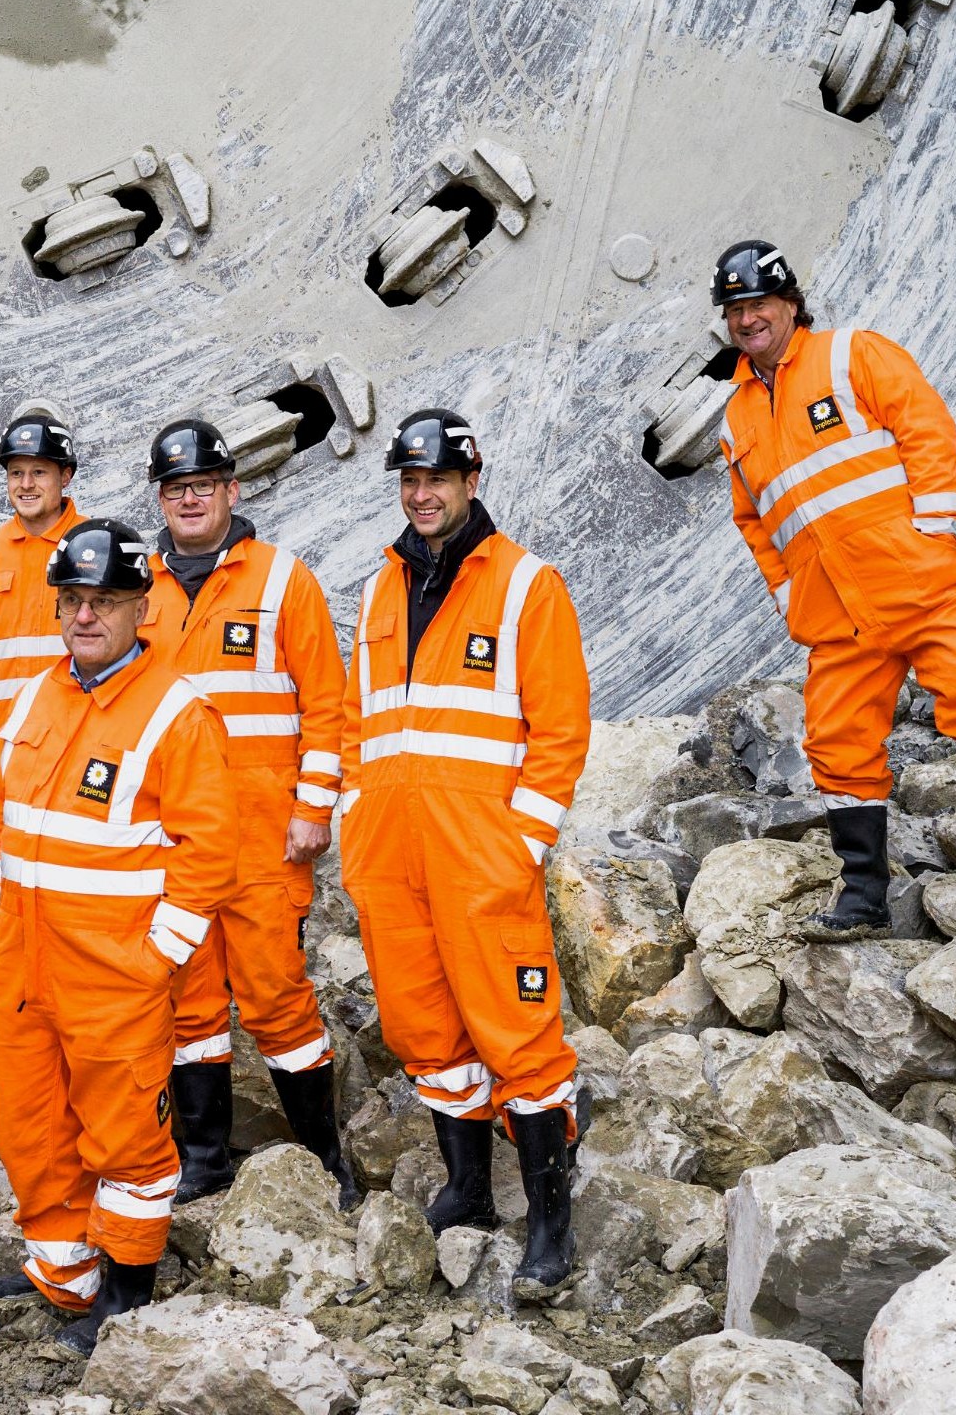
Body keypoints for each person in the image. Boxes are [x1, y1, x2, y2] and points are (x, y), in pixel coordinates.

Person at [713, 240, 956, 936]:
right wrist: (788, 593)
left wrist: (936, 525)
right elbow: (754, 520)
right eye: (734, 309)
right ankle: (863, 897)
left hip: (925, 585)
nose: (748, 319)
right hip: (836, 614)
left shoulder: (853, 354)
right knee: (839, 743)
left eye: (759, 303)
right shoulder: (736, 418)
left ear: (789, 304)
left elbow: (925, 427)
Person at [0, 519, 236, 1355]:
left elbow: (211, 848)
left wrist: (160, 952)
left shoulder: (177, 711)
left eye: (105, 603)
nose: (86, 617)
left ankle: (125, 1287)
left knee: (126, 1135)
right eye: (74, 601)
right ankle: (62, 1272)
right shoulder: (37, 694)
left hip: (115, 971)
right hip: (20, 962)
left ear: (138, 607)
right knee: (29, 1125)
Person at [339, 410, 589, 1300]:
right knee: (425, 1031)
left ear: (471, 481)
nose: (422, 494)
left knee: (519, 1038)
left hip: (481, 857)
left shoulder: (526, 585)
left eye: (438, 479)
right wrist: (353, 816)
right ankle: (470, 1191)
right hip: (390, 855)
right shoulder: (378, 589)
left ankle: (551, 1227)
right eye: (410, 481)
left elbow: (560, 731)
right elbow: (358, 722)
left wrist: (517, 845)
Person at [139, 418, 355, 1207]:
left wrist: (314, 807)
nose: (189, 499)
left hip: (268, 838)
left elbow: (327, 703)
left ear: (233, 490)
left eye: (202, 486)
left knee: (276, 997)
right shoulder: (141, 590)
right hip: (176, 842)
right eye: (174, 489)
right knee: (190, 1001)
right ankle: (203, 1159)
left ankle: (324, 1159)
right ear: (160, 500)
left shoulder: (280, 579)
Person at [0, 410, 84, 1127]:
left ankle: (74, 1060)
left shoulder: (96, 552)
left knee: (74, 918)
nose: (26, 485)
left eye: (39, 473)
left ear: (65, 478)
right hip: (3, 780)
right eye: (15, 474)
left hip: (76, 774)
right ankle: (3, 1066)